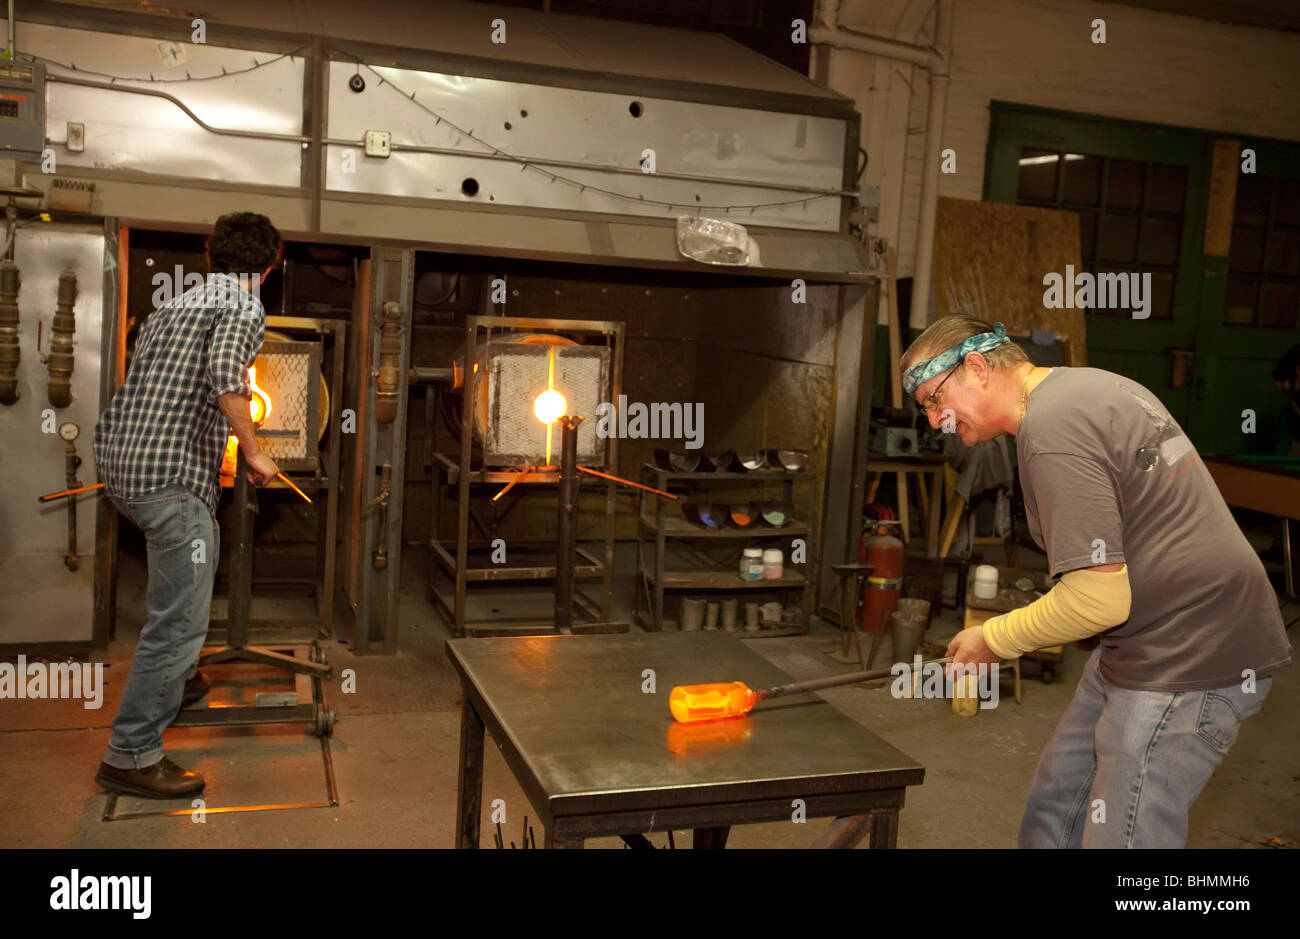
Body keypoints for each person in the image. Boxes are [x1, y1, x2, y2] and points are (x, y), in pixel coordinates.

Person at [901, 316, 1291, 848]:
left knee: (1124, 839)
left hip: (1193, 652)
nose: (933, 420)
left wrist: (993, 640)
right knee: (1057, 806)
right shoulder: (1084, 387)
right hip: (1137, 641)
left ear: (976, 367)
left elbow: (1098, 599)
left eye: (932, 400)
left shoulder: (1052, 429)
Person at [92, 212, 283, 798]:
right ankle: (130, 753)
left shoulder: (172, 306)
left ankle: (179, 678)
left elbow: (160, 383)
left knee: (186, 572)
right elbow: (227, 378)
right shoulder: (246, 306)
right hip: (169, 482)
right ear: (270, 264)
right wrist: (251, 452)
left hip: (123, 469)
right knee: (179, 620)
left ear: (210, 254)